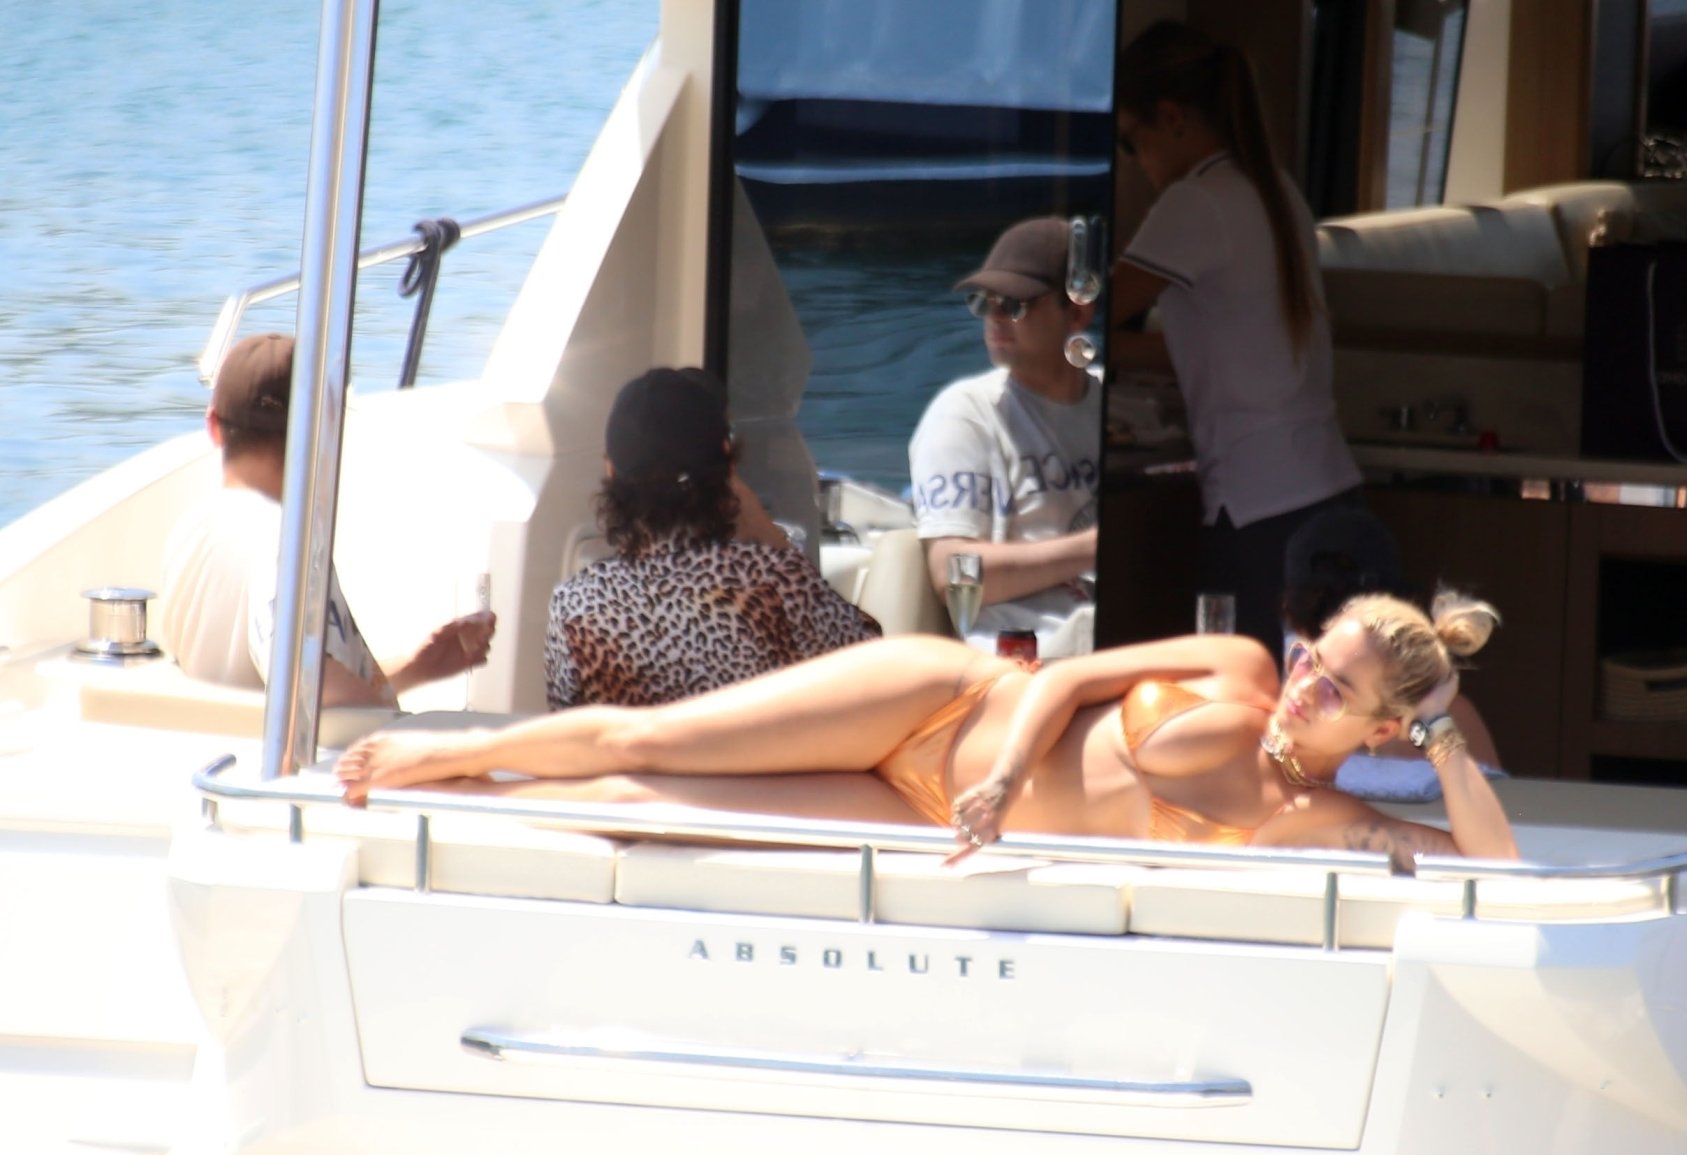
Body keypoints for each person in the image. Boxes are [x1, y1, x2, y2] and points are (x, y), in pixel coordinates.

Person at [335, 591, 1519, 870]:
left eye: (1336, 688)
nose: (1305, 682)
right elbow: (1064, 678)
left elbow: (1494, 860)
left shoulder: (1324, 819)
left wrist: (1441, 732)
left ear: (1380, 724)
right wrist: (1004, 777)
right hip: (945, 701)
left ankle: (471, 797)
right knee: (653, 740)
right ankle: (448, 749)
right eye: (1315, 656)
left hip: (920, 810)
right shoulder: (1239, 668)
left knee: (647, 810)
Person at [1107, 21, 1363, 664]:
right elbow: (1217, 350)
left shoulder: (1196, 202)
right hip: (1329, 496)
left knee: (1245, 701)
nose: (1135, 161)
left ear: (1171, 119)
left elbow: (1082, 315)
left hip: (1259, 513)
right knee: (1326, 703)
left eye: (1131, 141)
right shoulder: (1276, 191)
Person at [160, 333, 495, 707]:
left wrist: (418, 668)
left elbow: (280, 684)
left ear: (213, 426)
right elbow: (315, 691)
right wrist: (407, 731)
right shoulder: (284, 544)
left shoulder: (189, 533)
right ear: (323, 434)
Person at [545, 367, 879, 709]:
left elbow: (567, 723)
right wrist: (769, 535)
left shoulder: (574, 603)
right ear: (727, 463)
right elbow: (873, 667)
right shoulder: (774, 580)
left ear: (611, 470)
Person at [909, 216, 1102, 659]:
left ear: (1077, 311)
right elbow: (952, 573)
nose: (995, 317)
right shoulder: (964, 415)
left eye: (1014, 304)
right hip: (1023, 663)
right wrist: (1092, 550)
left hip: (1118, 647)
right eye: (985, 303)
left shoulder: (1118, 408)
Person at [1281, 506, 1503, 801]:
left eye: (1337, 692)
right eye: (1307, 663)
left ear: (1290, 611)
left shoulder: (1279, 711)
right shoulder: (1454, 715)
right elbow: (1509, 816)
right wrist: (1437, 722)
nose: (1307, 687)